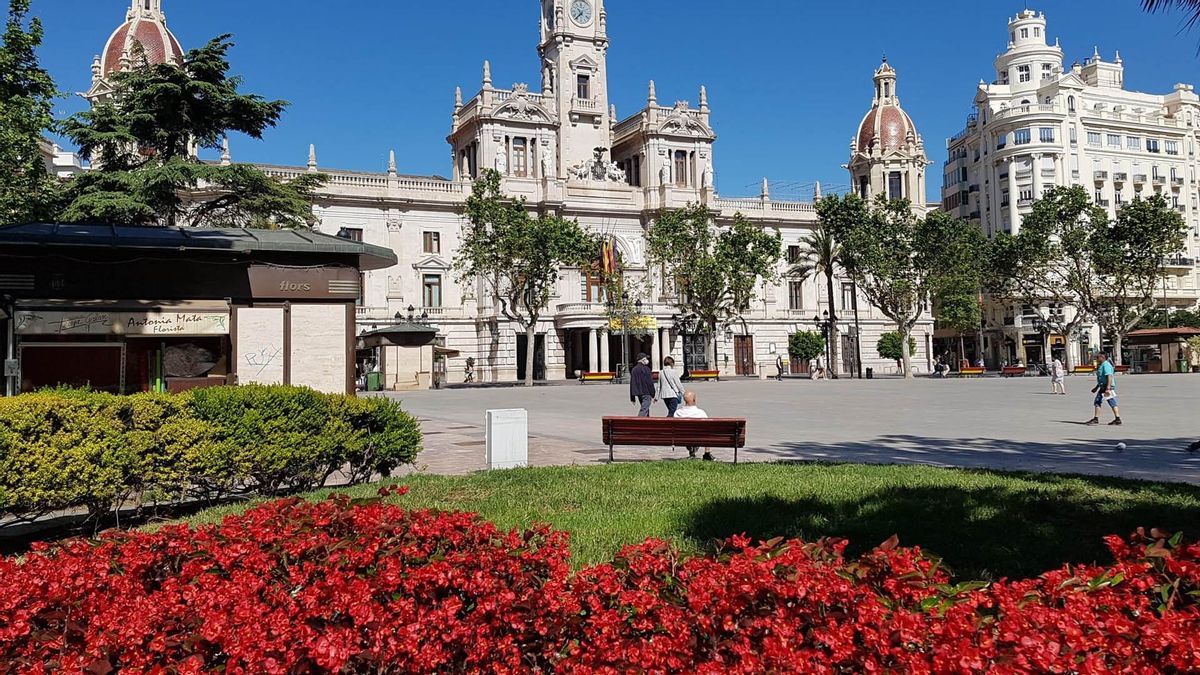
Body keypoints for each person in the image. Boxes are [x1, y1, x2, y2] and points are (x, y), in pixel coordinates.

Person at [674, 390, 713, 461]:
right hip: (698, 436)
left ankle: (692, 453)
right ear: (694, 400)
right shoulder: (700, 413)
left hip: (682, 437)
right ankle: (707, 453)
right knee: (708, 431)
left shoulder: (677, 413)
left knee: (688, 432)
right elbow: (708, 425)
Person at [1086, 352, 1121, 426]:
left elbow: (1109, 376)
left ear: (1102, 357)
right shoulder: (1103, 365)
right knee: (1110, 401)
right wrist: (1096, 387)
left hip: (1106, 387)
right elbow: (1102, 378)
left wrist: (1108, 388)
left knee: (1098, 402)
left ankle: (1096, 419)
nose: (1097, 358)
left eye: (1098, 357)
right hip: (1103, 386)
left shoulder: (1106, 365)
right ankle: (1117, 419)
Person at [629, 352, 655, 417]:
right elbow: (650, 383)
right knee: (644, 409)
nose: (647, 360)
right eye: (646, 359)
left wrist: (632, 397)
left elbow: (632, 383)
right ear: (643, 360)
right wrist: (653, 394)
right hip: (647, 392)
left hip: (639, 393)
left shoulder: (634, 369)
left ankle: (646, 423)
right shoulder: (646, 369)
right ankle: (638, 422)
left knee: (646, 408)